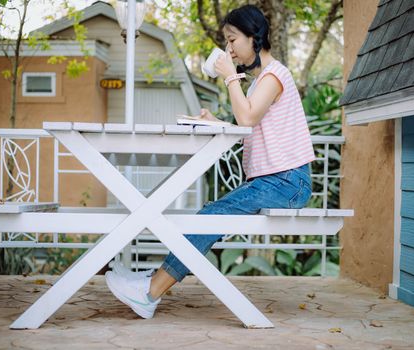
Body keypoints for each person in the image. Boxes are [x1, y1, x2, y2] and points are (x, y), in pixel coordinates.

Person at [105, 4, 316, 319]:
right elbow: (248, 126)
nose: (228, 48)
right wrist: (213, 121)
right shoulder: (260, 82)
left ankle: (150, 294)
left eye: (232, 40)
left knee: (211, 214)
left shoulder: (275, 75)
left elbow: (245, 117)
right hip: (274, 181)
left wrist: (231, 77)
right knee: (210, 214)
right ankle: (151, 280)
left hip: (288, 181)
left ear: (253, 37)